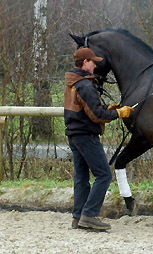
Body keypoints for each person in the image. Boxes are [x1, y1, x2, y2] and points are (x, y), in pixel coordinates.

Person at [64, 47, 134, 230]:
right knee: (104, 175)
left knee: (81, 178)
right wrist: (119, 113)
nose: (96, 65)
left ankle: (77, 217)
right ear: (85, 62)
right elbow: (96, 115)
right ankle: (89, 215)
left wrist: (108, 109)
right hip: (86, 136)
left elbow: (89, 110)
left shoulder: (72, 82)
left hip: (74, 135)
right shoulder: (85, 85)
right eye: (93, 62)